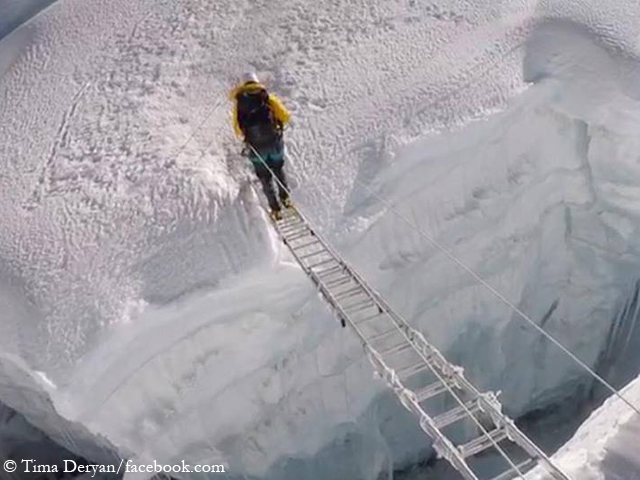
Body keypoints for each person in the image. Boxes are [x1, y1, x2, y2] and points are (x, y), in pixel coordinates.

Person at [231, 72, 292, 221]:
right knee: (278, 168)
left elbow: (238, 130)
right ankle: (285, 199)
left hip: (256, 149)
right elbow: (285, 116)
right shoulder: (266, 98)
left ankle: (275, 209)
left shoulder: (239, 104)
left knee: (265, 177)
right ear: (256, 82)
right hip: (273, 142)